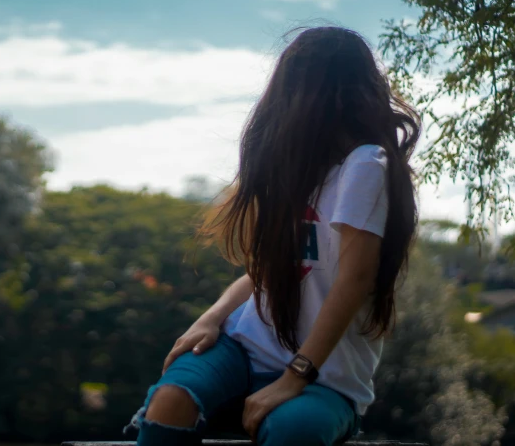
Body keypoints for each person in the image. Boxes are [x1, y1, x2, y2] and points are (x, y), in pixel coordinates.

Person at [125, 27, 420, 446]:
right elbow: (265, 271)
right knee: (171, 401)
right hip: (243, 349)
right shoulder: (300, 172)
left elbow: (354, 280)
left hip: (327, 377)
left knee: (292, 431)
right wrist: (211, 319)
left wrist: (295, 375)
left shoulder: (366, 164)